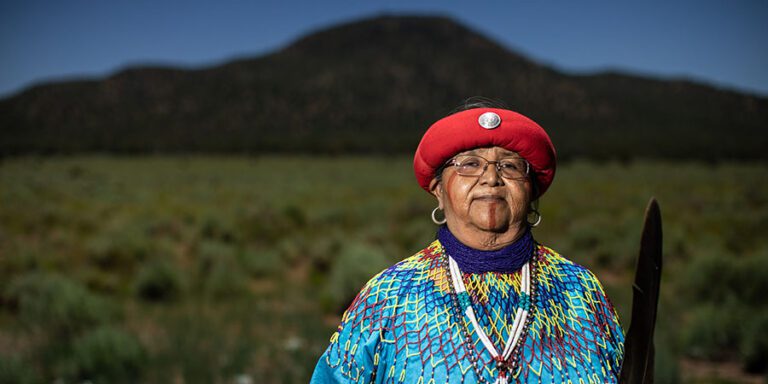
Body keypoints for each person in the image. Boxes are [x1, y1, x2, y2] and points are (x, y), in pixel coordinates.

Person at [311, 100, 624, 383]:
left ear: (532, 191)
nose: (491, 178)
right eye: (469, 164)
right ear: (438, 188)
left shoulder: (579, 290)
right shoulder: (387, 296)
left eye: (510, 166)